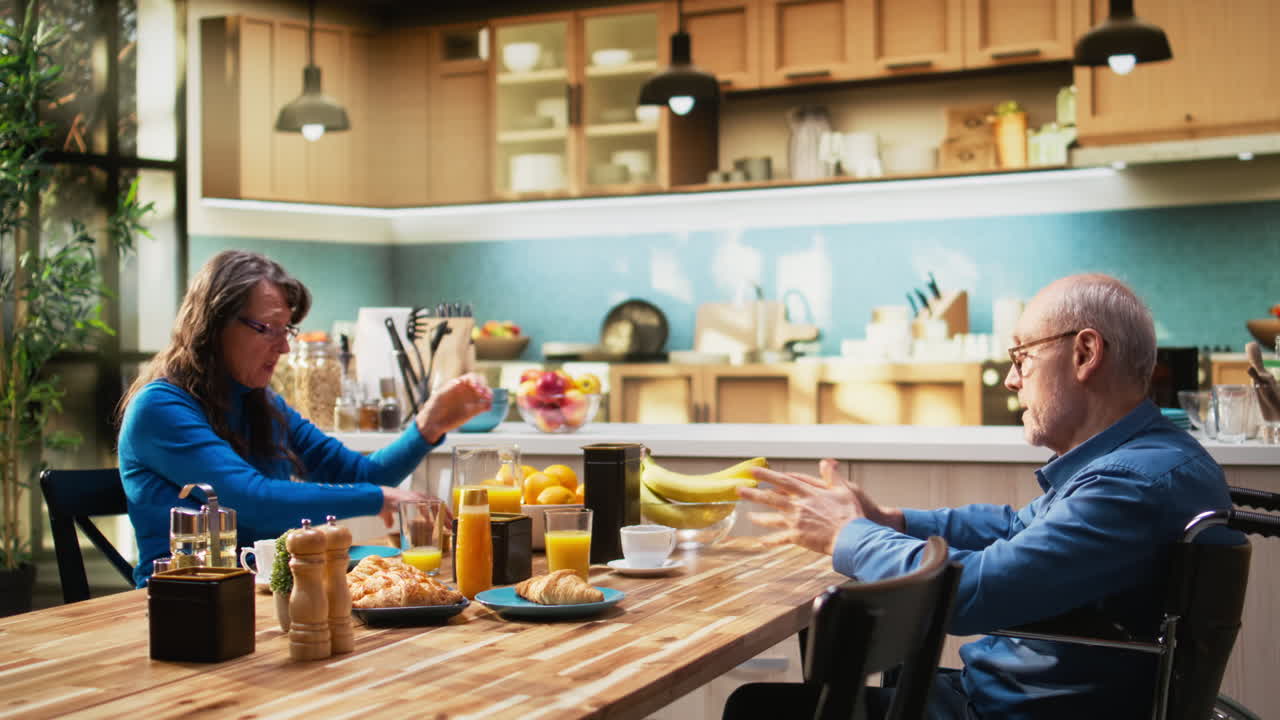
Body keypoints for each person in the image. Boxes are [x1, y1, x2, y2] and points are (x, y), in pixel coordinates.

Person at [738, 273, 1234, 719]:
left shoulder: (1130, 485)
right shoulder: (1143, 461)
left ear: (1085, 353)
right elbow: (1015, 530)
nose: (1013, 379)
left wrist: (848, 534)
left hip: (1008, 711)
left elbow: (971, 593)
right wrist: (895, 522)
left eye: (1022, 357)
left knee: (756, 708)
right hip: (1015, 695)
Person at [118, 250, 492, 587]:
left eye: (287, 331)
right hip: (177, 605)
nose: (282, 347)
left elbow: (364, 476)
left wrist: (426, 428)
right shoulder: (160, 408)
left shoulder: (260, 403)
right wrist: (376, 498)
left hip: (263, 595)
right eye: (267, 329)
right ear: (213, 324)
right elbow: (248, 499)